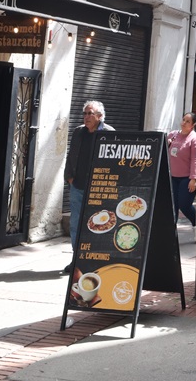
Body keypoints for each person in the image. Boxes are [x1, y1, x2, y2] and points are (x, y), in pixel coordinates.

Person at [63, 100, 114, 272]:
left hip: (98, 188)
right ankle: (77, 259)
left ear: (100, 116)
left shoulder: (109, 133)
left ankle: (95, 259)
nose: (86, 117)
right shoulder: (79, 132)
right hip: (77, 185)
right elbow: (71, 155)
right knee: (76, 224)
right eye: (84, 113)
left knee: (98, 225)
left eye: (90, 113)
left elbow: (114, 162)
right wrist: (69, 177)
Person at [166, 111, 196, 227]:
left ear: (193, 125)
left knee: (184, 205)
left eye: (188, 121)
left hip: (187, 178)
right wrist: (166, 144)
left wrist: (194, 179)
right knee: (172, 207)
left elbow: (195, 159)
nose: (184, 123)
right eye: (183, 120)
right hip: (172, 177)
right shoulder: (173, 135)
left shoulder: (194, 138)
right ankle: (171, 232)